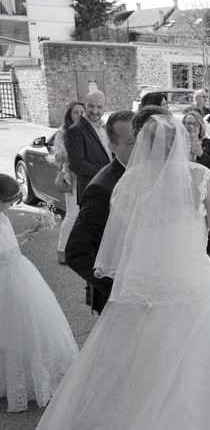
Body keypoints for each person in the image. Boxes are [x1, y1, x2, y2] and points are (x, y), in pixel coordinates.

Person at [15, 115, 210, 430]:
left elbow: (121, 250)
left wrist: (134, 286)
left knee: (129, 379)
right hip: (197, 292)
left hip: (142, 296)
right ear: (180, 143)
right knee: (206, 383)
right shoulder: (199, 177)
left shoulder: (129, 183)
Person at [0, 174, 78, 412]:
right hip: (7, 277)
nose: (12, 206)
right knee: (11, 326)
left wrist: (23, 236)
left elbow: (7, 244)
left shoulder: (2, 217)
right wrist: (13, 249)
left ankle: (28, 375)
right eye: (9, 201)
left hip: (16, 272)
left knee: (24, 325)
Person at [65, 109, 140, 314]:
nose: (143, 147)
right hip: (119, 302)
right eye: (133, 143)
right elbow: (76, 252)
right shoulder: (103, 188)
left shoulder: (147, 173)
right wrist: (120, 288)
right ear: (113, 147)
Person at [183, 110, 210, 264]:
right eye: (188, 123)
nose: (191, 126)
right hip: (186, 196)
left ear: (200, 126)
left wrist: (202, 154)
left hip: (208, 195)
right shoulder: (178, 143)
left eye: (194, 123)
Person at [65, 90, 111, 203]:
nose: (95, 111)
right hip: (91, 192)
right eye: (91, 106)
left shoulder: (106, 127)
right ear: (85, 106)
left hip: (109, 189)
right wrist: (110, 171)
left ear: (105, 107)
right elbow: (78, 165)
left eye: (99, 107)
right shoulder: (75, 130)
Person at [54, 101, 85, 265]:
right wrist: (75, 153)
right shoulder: (63, 132)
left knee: (84, 215)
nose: (80, 115)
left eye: (82, 112)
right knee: (72, 215)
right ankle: (61, 249)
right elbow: (57, 156)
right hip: (72, 176)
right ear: (69, 115)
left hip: (88, 175)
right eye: (76, 112)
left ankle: (77, 248)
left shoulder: (88, 130)